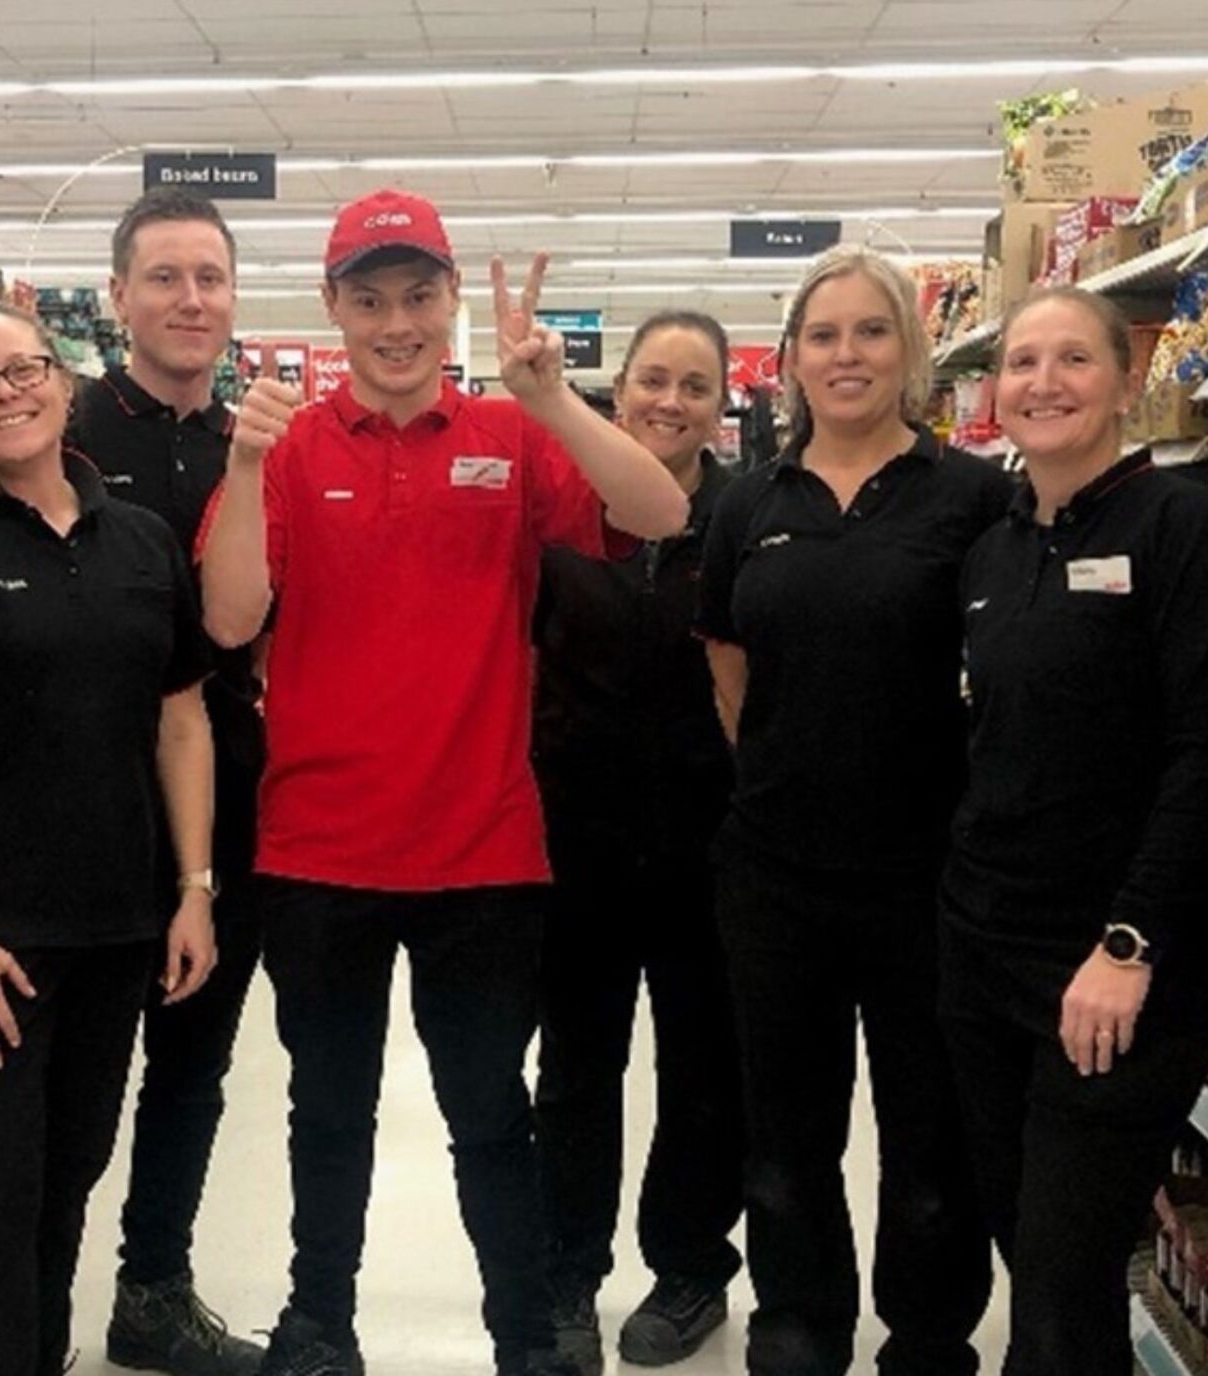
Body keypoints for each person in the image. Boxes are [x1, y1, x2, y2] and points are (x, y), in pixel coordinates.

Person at [199, 188, 690, 1376]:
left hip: (483, 851)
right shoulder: (287, 446)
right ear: (332, 310)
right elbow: (228, 617)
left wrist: (549, 396)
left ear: (449, 303)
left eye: (418, 296)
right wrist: (245, 455)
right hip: (316, 848)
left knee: (488, 1116)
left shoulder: (507, 438)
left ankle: (524, 1337)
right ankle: (321, 1323)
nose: (396, 323)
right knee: (327, 1113)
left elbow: (661, 508)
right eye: (368, 300)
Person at [0, 304, 219, 1376]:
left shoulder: (142, 539)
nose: (4, 393)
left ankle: (35, 1351)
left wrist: (193, 886)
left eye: (21, 370)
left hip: (116, 925)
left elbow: (182, 719)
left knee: (69, 1172)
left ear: (64, 383)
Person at [939, 285, 1208, 1376]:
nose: (1042, 382)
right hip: (984, 957)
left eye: (1071, 358)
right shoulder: (995, 547)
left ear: (1126, 381)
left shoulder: (1192, 534)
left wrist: (1128, 941)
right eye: (1020, 362)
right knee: (1026, 1250)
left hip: (1116, 976)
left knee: (1062, 1284)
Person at [695, 246, 1005, 1376]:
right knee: (786, 1125)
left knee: (928, 1130)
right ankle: (798, 1321)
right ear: (788, 361)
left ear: (909, 352)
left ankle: (928, 1334)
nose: (845, 355)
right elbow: (725, 657)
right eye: (822, 335)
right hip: (774, 870)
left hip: (930, 870)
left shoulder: (973, 497)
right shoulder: (748, 503)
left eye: (870, 331)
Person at [65, 186, 266, 1376]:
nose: (190, 299)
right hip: (76, 802)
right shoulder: (60, 429)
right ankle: (14, 1294)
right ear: (119, 296)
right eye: (165, 277)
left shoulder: (254, 442)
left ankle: (154, 1288)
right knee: (60, 1076)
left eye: (210, 277)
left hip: (224, 797)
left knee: (192, 1064)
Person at [530, 311, 744, 1374]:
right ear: (617, 391)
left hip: (712, 840)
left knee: (706, 1064)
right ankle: (565, 1271)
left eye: (694, 384)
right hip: (577, 837)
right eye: (653, 379)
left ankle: (690, 1264)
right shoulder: (559, 510)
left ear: (722, 402)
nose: (670, 400)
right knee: (576, 1065)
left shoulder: (744, 518)